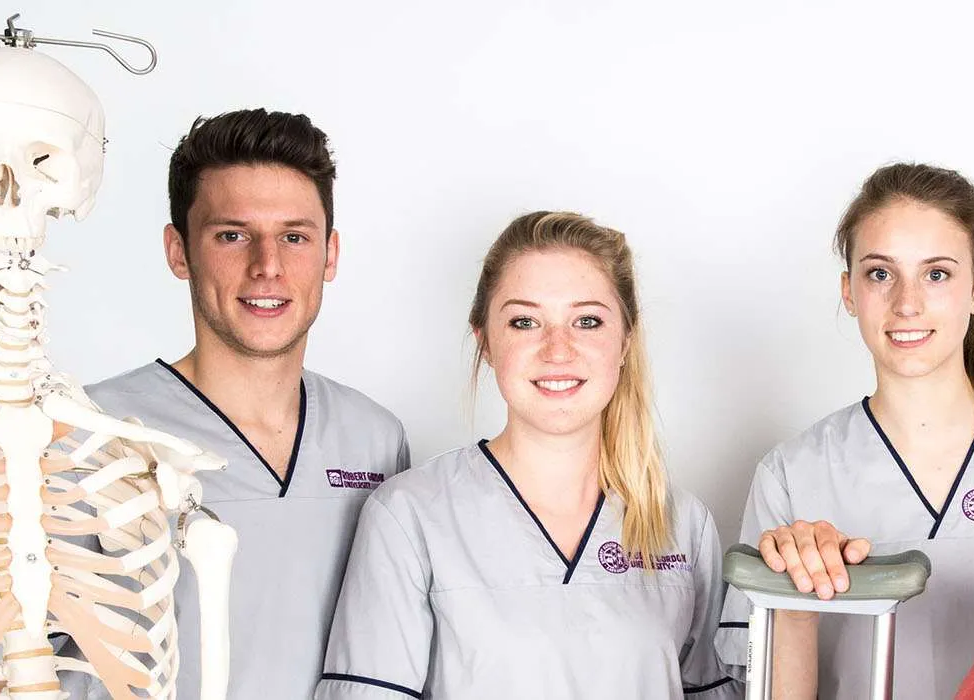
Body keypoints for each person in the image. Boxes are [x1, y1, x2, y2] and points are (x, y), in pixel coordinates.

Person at [38, 108, 411, 700]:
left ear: (330, 255)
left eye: (295, 236)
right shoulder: (86, 432)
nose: (267, 265)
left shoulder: (375, 439)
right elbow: (1, 666)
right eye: (231, 235)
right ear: (179, 251)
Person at [721, 163, 974, 699]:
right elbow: (766, 688)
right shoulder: (792, 475)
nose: (907, 303)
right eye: (880, 273)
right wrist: (794, 602)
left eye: (936, 274)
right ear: (849, 291)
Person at [313, 211, 739, 699]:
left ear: (625, 340)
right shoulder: (409, 517)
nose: (558, 350)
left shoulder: (681, 525)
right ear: (487, 342)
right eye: (525, 321)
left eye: (587, 321)